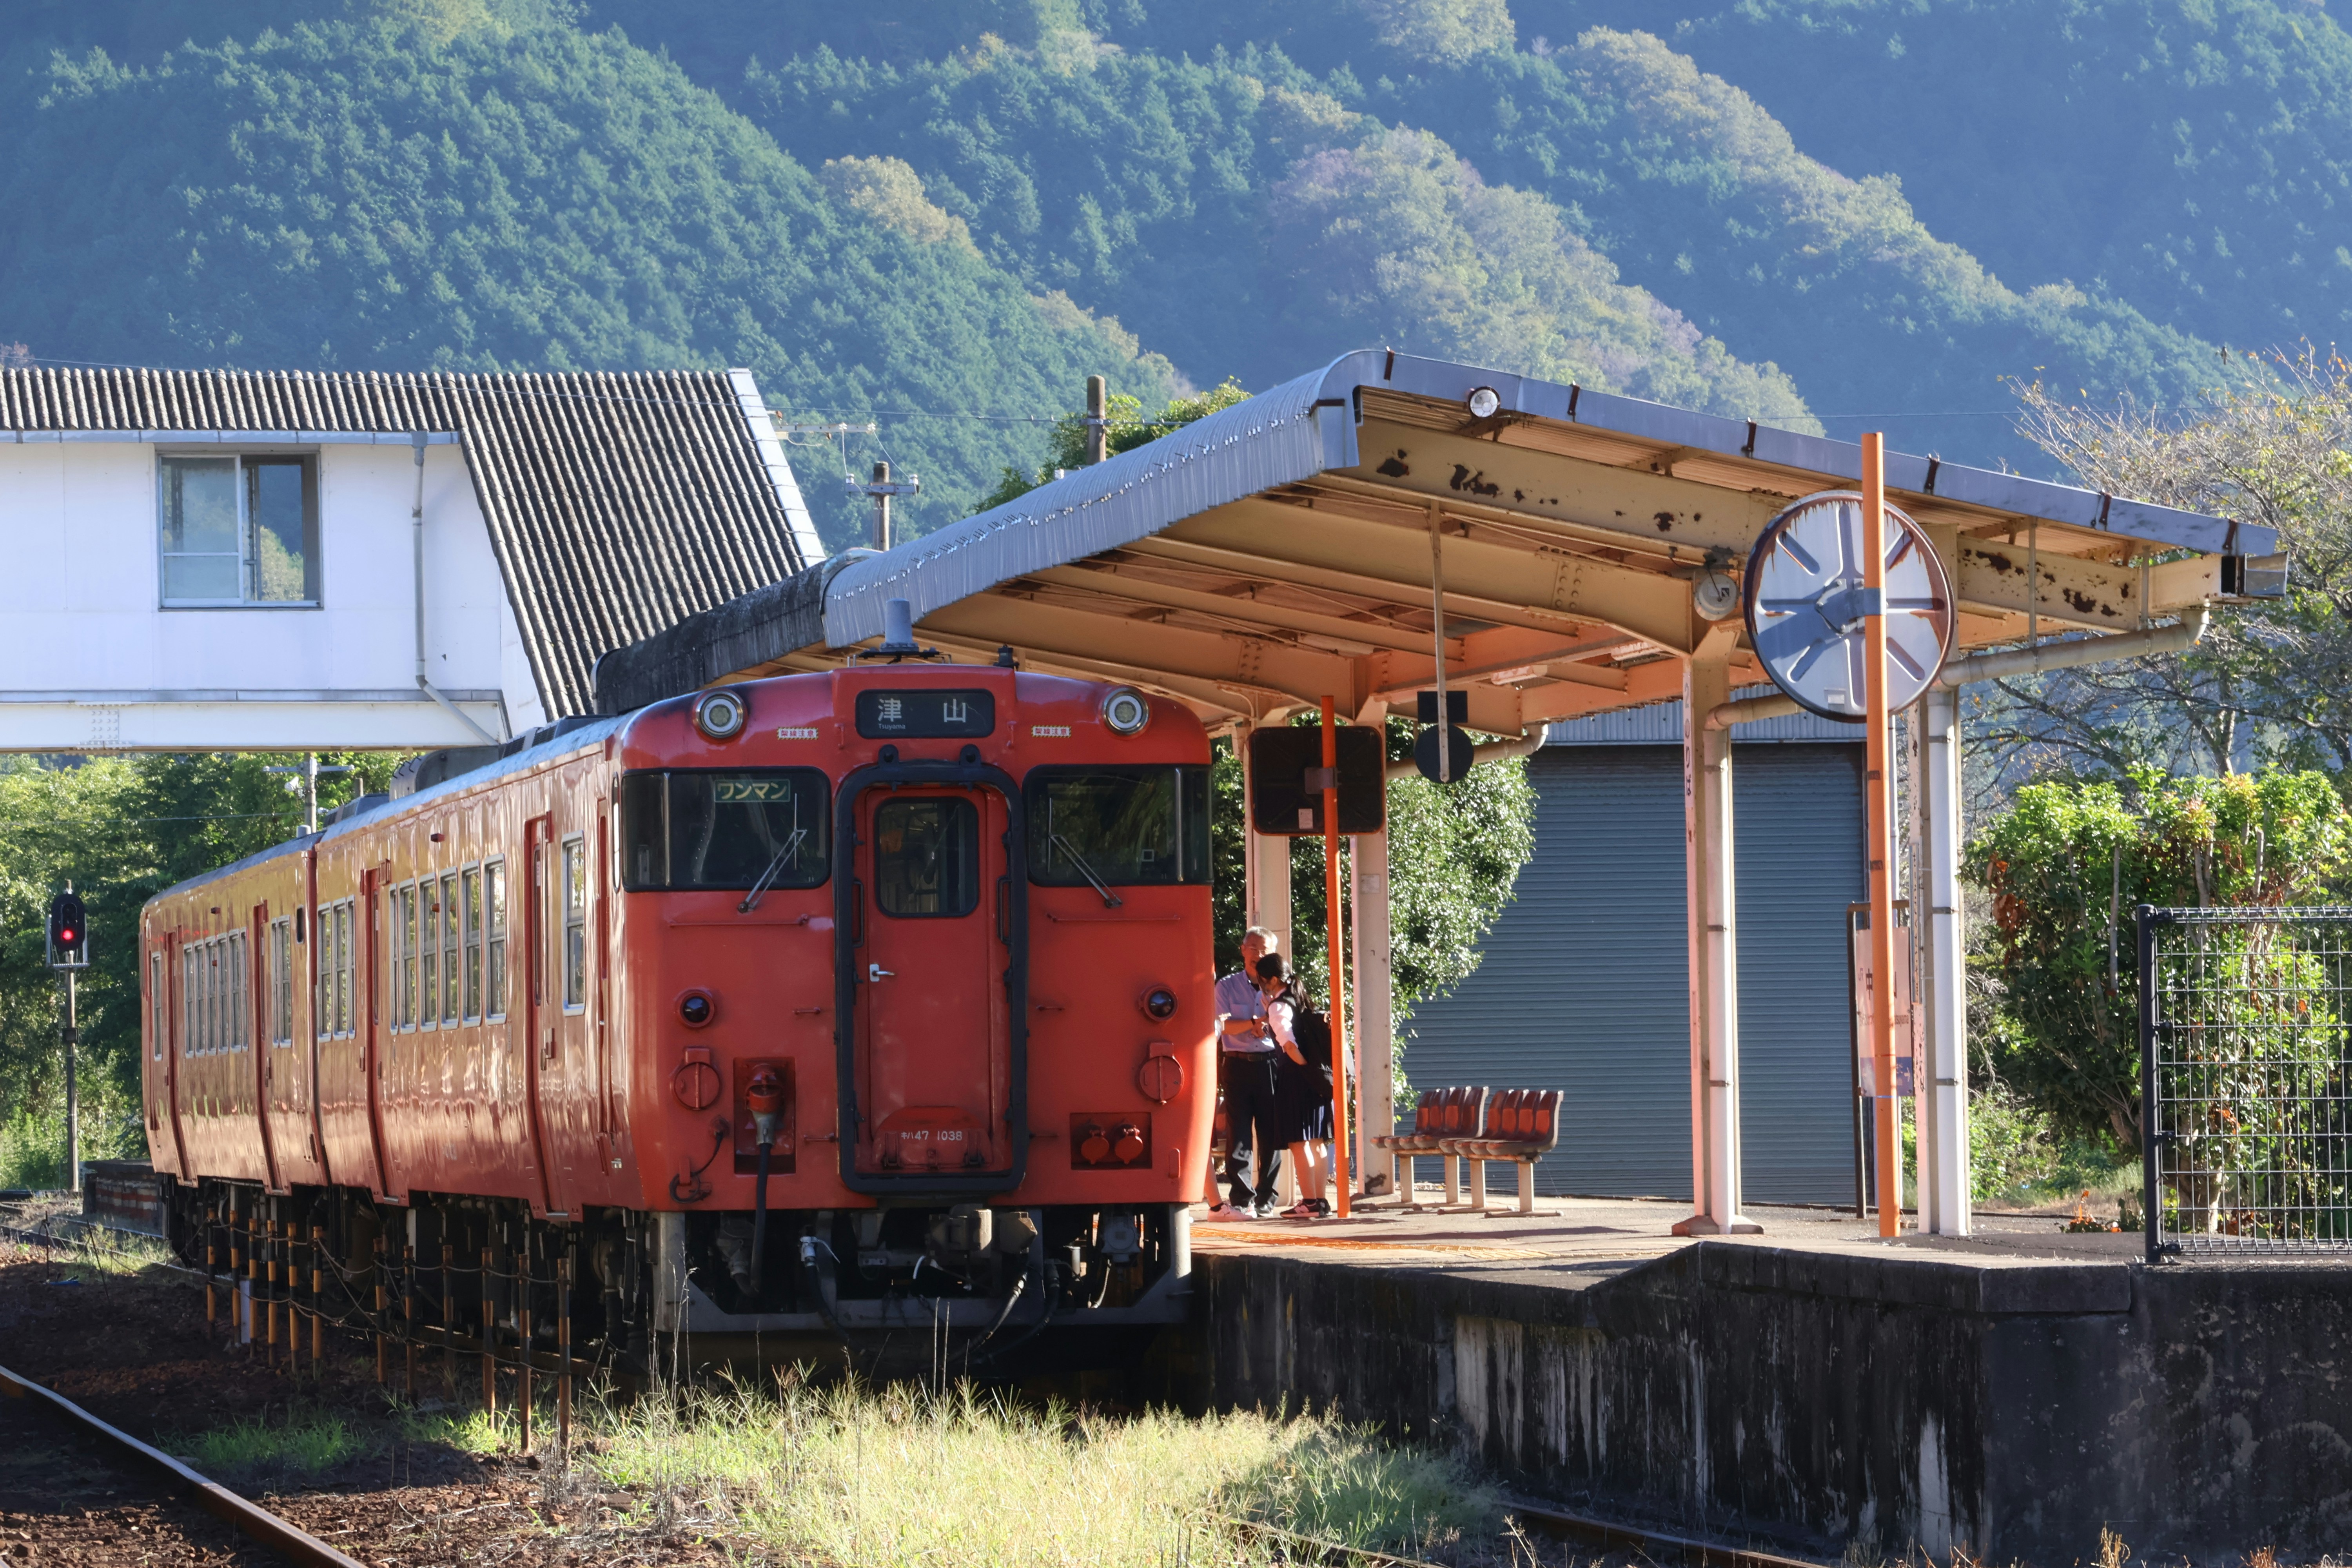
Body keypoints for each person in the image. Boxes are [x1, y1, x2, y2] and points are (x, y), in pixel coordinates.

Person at [1208, 926, 1284, 1218]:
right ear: (1242, 950)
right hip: (1237, 1064)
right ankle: (1242, 1200)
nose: (1258, 955)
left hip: (1270, 1064)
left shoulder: (1279, 986)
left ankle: (1266, 1199)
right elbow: (1222, 1026)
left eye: (1265, 950)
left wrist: (1266, 1025)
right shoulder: (1226, 986)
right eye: (1253, 948)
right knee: (1238, 1134)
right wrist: (1254, 1023)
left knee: (1271, 1134)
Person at [1258, 952, 1334, 1218]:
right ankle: (1321, 1201)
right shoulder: (1302, 999)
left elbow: (1289, 1044)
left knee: (1298, 1142)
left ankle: (1309, 1202)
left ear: (1273, 980)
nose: (1261, 985)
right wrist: (1313, 1071)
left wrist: (1303, 1067)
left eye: (1262, 980)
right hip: (1318, 1080)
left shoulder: (1278, 1007)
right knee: (1318, 1142)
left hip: (1295, 1078)